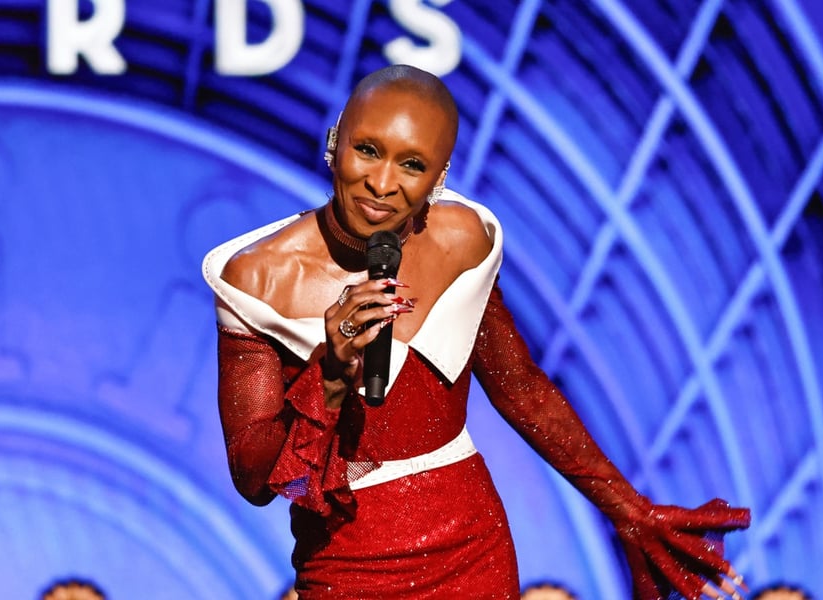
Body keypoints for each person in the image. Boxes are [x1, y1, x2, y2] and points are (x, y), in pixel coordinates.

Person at [202, 64, 751, 599]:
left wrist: (630, 510)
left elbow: (523, 391)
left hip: (471, 546)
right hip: (346, 559)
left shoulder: (462, 241)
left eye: (411, 164)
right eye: (366, 149)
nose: (382, 183)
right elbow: (256, 481)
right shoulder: (260, 277)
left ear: (438, 180)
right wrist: (331, 373)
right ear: (333, 142)